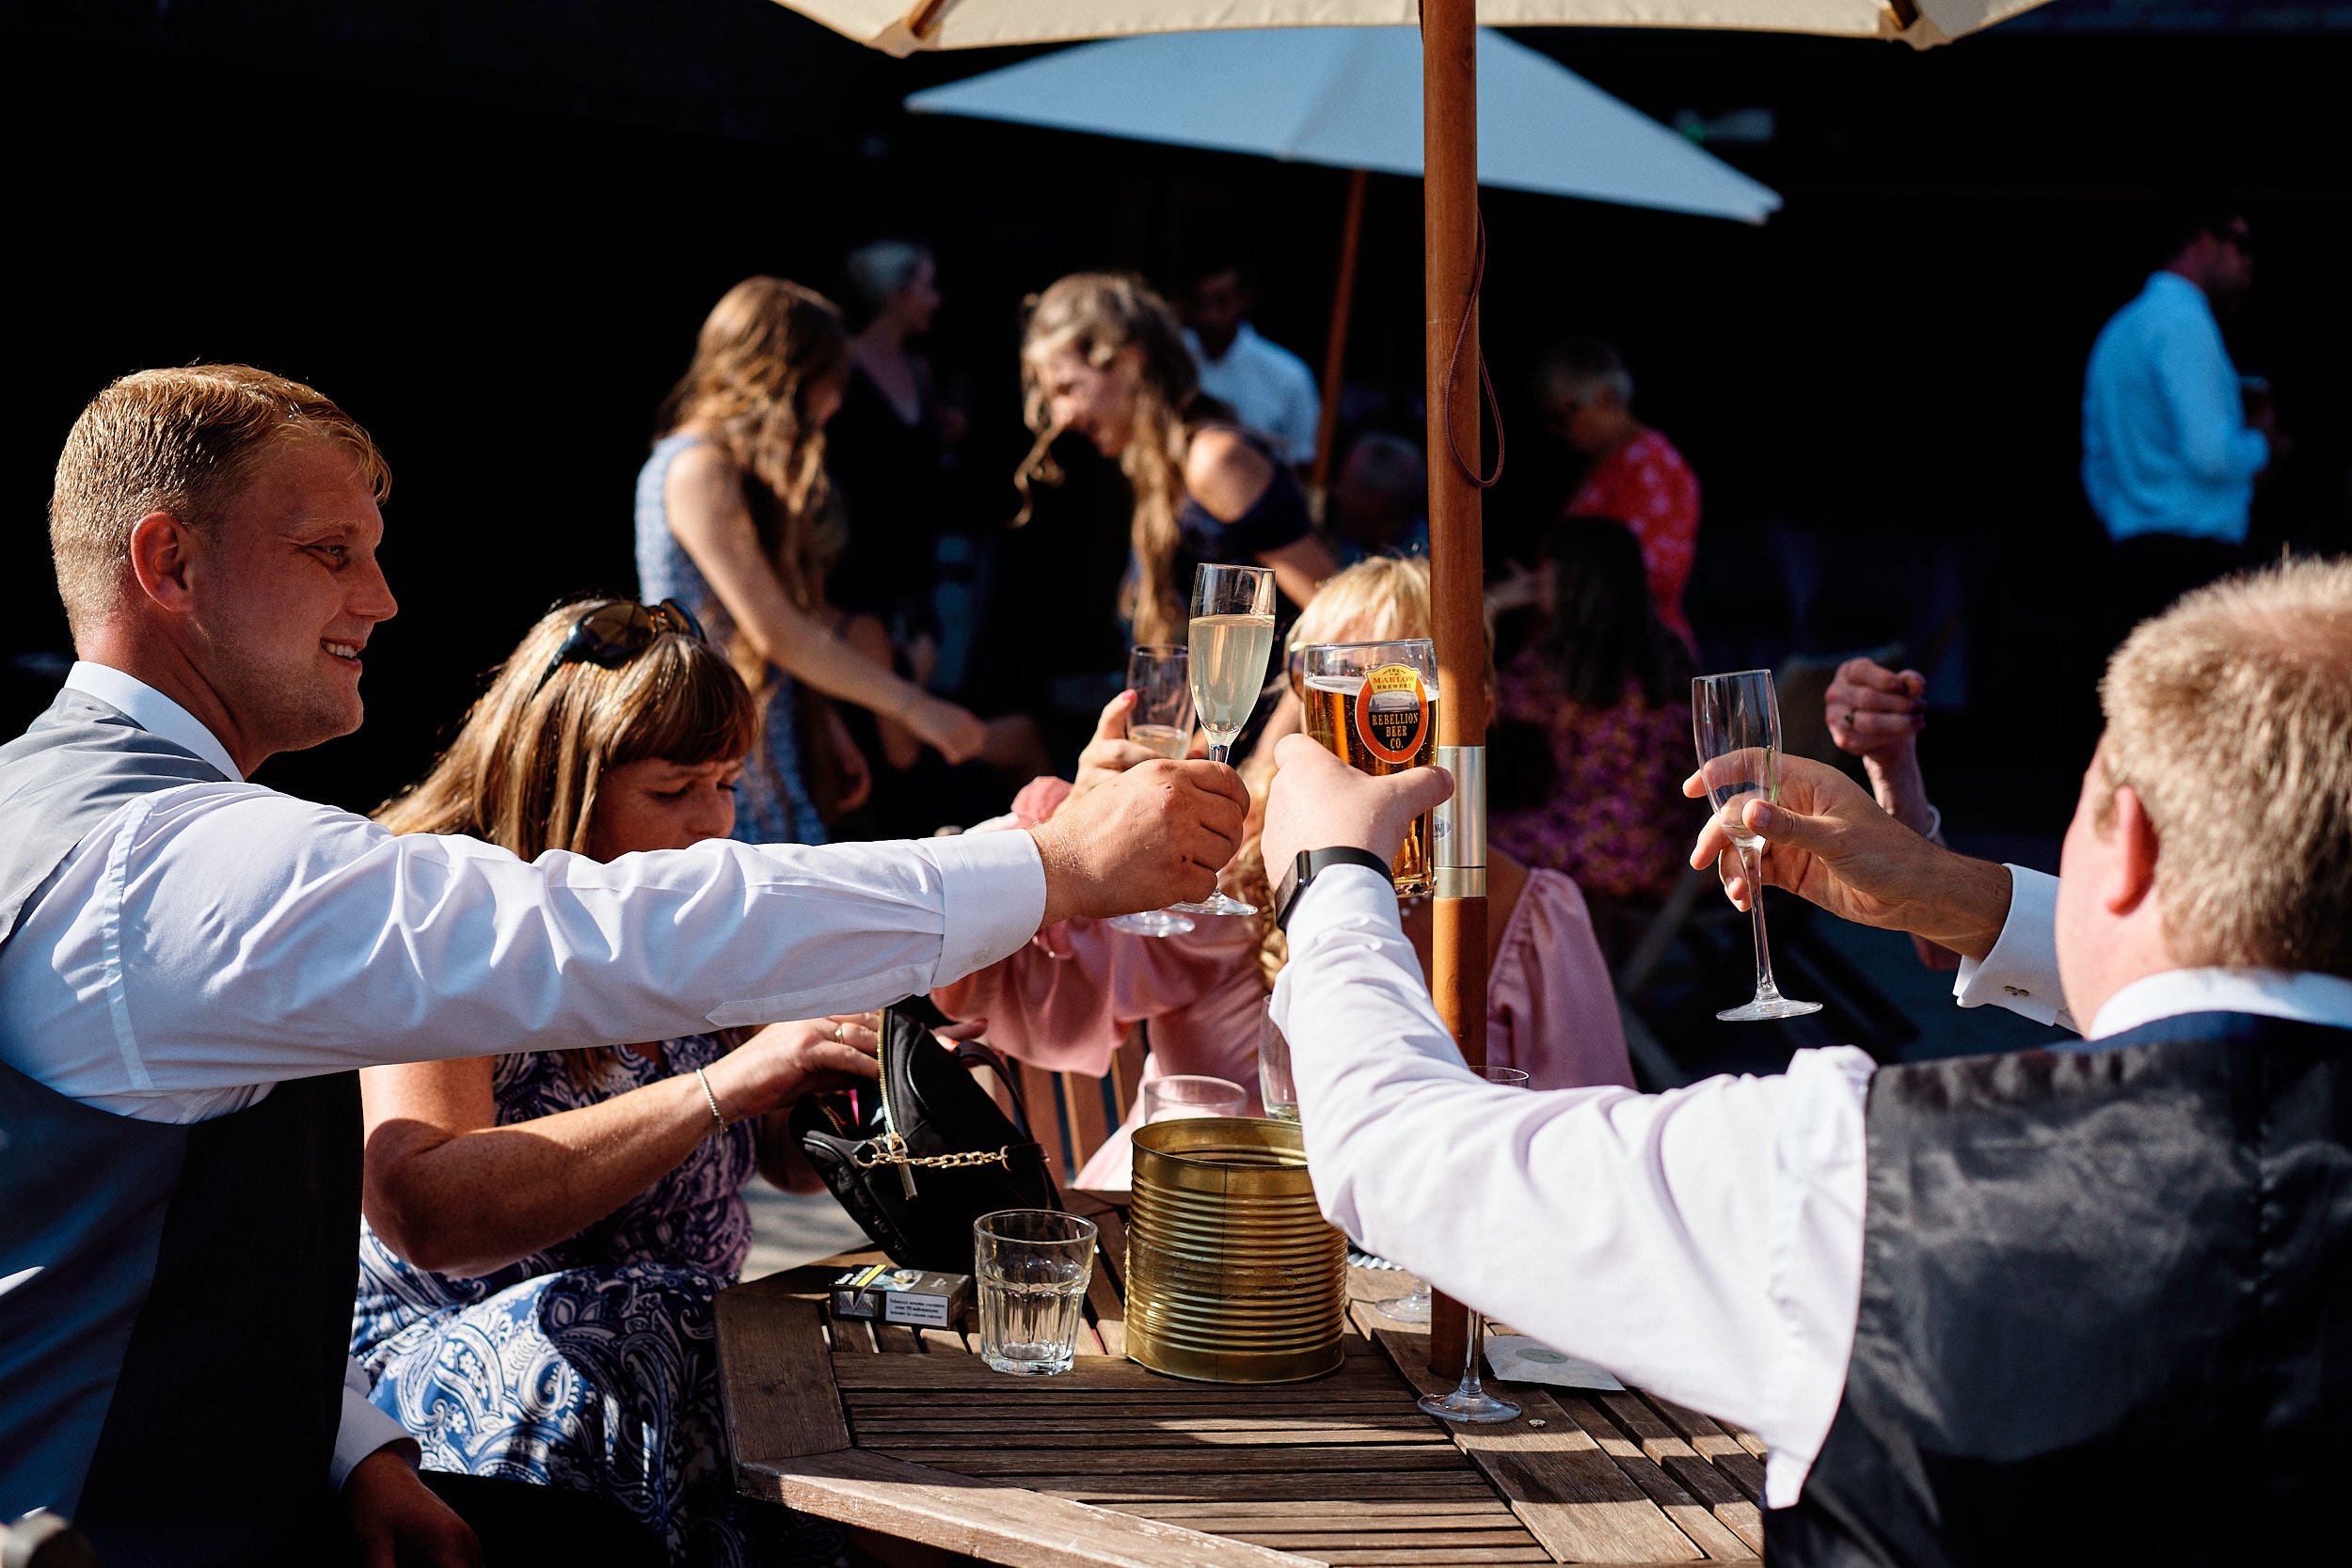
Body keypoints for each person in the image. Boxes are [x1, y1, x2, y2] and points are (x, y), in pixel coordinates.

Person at [0, 365, 1248, 1566]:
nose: (382, 598)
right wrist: (1050, 866)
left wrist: (355, 1448)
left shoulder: (53, 811)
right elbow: (615, 931)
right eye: (330, 551)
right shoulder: (169, 860)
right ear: (168, 562)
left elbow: (195, 1257)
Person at [1259, 556, 2352, 1563]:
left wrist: (1334, 877)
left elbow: (1400, 1154)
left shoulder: (1858, 1174)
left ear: (2133, 844)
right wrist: (1947, 889)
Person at [351, 600, 896, 1565]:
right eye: (675, 786)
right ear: (557, 784)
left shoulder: (678, 915)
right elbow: (427, 1210)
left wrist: (850, 1064)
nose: (712, 824)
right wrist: (717, 1087)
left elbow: (785, 1159)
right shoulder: (448, 921)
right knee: (606, 1335)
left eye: (725, 783)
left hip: (675, 1375)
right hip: (463, 1392)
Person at [941, 556, 1631, 1187]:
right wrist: (1072, 844)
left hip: (1412, 1275)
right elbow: (990, 976)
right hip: (1189, 1228)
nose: (1369, 715)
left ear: (1475, 711)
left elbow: (1596, 1165)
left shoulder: (1527, 913)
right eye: (1334, 679)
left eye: (1396, 686)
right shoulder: (1222, 868)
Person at [636, 276, 991, 844]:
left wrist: (825, 727)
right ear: (784, 378)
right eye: (830, 381)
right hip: (721, 757)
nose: (836, 402)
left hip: (757, 741)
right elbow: (774, 630)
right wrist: (918, 708)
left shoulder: (718, 466)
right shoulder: (698, 468)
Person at [1020, 273, 1336, 650]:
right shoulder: (1160, 464)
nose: (1061, 417)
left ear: (1128, 365)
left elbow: (1339, 614)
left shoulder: (1213, 460)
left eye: (1069, 388)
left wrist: (1283, 710)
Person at [2081, 202, 2273, 634]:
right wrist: (2262, 442)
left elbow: (2096, 465)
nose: (2249, 262)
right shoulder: (2185, 323)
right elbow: (2211, 455)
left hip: (2132, 558)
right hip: (2194, 564)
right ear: (2205, 241)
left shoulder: (2119, 329)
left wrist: (2127, 518)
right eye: (2242, 245)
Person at [1487, 519, 1696, 906]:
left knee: (1460, 841)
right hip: (1681, 851)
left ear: (1572, 577)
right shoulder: (1666, 649)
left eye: (1545, 565)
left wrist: (1492, 605)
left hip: (1603, 847)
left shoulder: (1562, 663)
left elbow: (1467, 703)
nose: (1537, 577)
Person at [1540, 340, 1700, 650]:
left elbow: (1656, 574)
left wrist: (1560, 582)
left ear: (1605, 398)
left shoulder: (1652, 465)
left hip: (1634, 653)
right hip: (1592, 648)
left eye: (1563, 416)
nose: (1557, 431)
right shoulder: (1607, 462)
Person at [1179, 258, 1321, 467]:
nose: (1209, 316)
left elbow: (1302, 459)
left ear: (1245, 300)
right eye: (1200, 302)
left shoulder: (1289, 376)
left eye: (1222, 302)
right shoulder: (1170, 355)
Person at [1326, 432, 1429, 565]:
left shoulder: (1424, 566)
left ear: (1378, 504)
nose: (1336, 492)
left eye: (1347, 486)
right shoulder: (1335, 544)